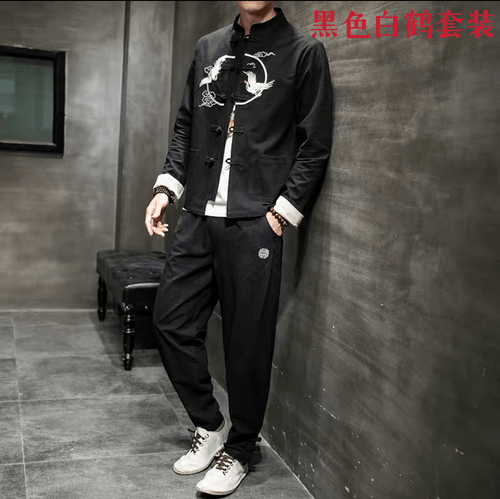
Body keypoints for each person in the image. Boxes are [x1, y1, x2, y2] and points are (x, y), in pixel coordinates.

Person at [144, 1, 332, 495]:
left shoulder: (304, 52)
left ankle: (242, 448)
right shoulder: (208, 48)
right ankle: (210, 426)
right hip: (197, 213)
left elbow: (314, 143)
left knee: (247, 342)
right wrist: (166, 188)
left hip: (255, 222)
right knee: (170, 321)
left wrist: (282, 212)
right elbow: (186, 125)